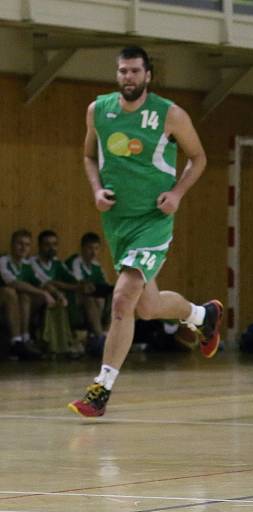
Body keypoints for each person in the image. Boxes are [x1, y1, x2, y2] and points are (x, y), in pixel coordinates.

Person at [68, 46, 223, 417]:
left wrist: (177, 193)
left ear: (148, 75)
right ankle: (203, 317)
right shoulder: (99, 110)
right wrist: (95, 190)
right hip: (117, 221)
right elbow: (89, 155)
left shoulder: (170, 114)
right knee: (148, 307)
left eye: (135, 71)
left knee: (122, 300)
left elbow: (198, 158)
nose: (128, 77)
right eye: (123, 71)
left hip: (153, 220)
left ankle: (100, 389)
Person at [0, 229, 52, 360]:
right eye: (20, 243)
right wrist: (43, 293)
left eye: (27, 245)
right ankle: (16, 340)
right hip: (4, 299)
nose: (23, 248)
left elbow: (45, 281)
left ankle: (25, 339)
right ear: (12, 244)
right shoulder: (3, 260)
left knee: (25, 297)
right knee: (10, 292)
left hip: (16, 304)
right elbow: (12, 282)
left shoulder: (28, 264)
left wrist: (57, 294)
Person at [28, 230, 81, 356]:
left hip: (53, 296)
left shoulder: (57, 263)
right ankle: (56, 343)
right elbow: (44, 282)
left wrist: (58, 285)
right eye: (47, 244)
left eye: (55, 244)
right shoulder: (32, 262)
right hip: (34, 298)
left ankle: (67, 341)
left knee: (74, 297)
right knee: (55, 300)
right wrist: (57, 290)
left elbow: (75, 282)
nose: (52, 248)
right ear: (39, 246)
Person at [65, 232, 114, 347]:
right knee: (90, 299)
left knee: (115, 296)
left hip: (95, 300)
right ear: (82, 248)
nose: (93, 252)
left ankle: (107, 332)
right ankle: (99, 336)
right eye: (90, 248)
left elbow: (104, 285)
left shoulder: (97, 266)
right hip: (73, 299)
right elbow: (80, 284)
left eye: (96, 248)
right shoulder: (75, 261)